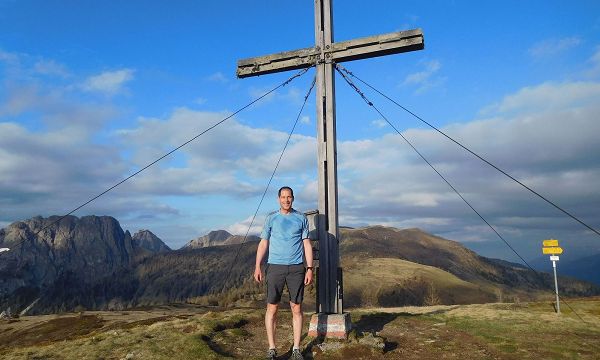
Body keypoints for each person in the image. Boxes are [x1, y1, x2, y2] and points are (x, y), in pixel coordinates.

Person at [254, 186, 313, 360]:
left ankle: (296, 349)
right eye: (283, 197)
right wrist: (258, 265)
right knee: (272, 308)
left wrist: (309, 268)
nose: (286, 200)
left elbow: (307, 244)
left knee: (297, 308)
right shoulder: (271, 218)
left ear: (293, 198)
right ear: (278, 199)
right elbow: (264, 243)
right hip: (275, 267)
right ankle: (272, 349)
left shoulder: (301, 218)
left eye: (289, 197)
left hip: (296, 268)